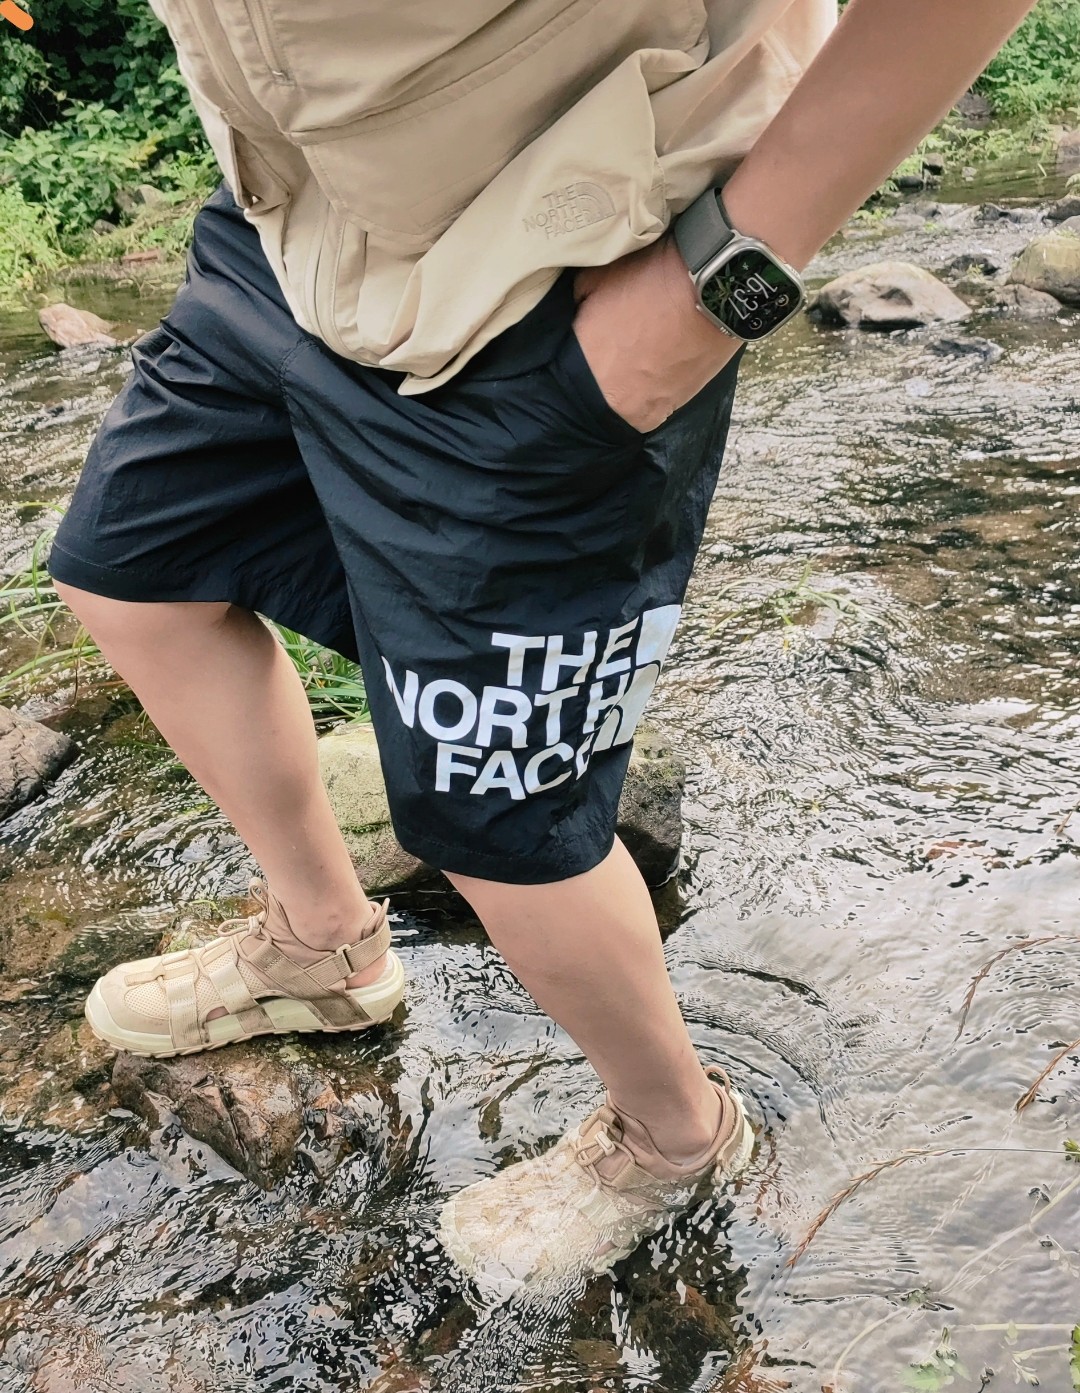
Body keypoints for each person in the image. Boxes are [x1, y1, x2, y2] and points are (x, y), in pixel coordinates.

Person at [46, 0, 1038, 1292]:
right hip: (287, 232)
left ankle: (678, 1133)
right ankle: (324, 946)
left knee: (497, 814)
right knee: (134, 573)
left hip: (539, 284)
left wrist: (717, 285)